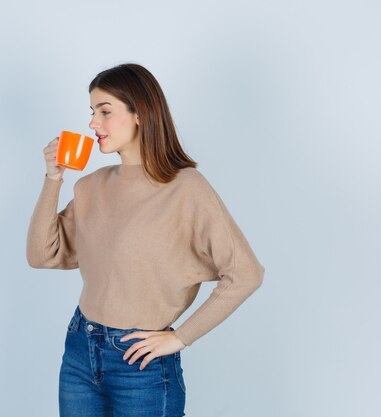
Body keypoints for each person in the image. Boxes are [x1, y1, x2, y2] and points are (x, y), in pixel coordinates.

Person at [26, 63, 265, 417]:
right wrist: (52, 179)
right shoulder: (91, 186)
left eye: (105, 111)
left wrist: (181, 336)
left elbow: (247, 273)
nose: (93, 123)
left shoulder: (186, 188)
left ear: (140, 113)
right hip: (80, 349)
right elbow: (40, 255)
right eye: (92, 112)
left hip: (140, 363)